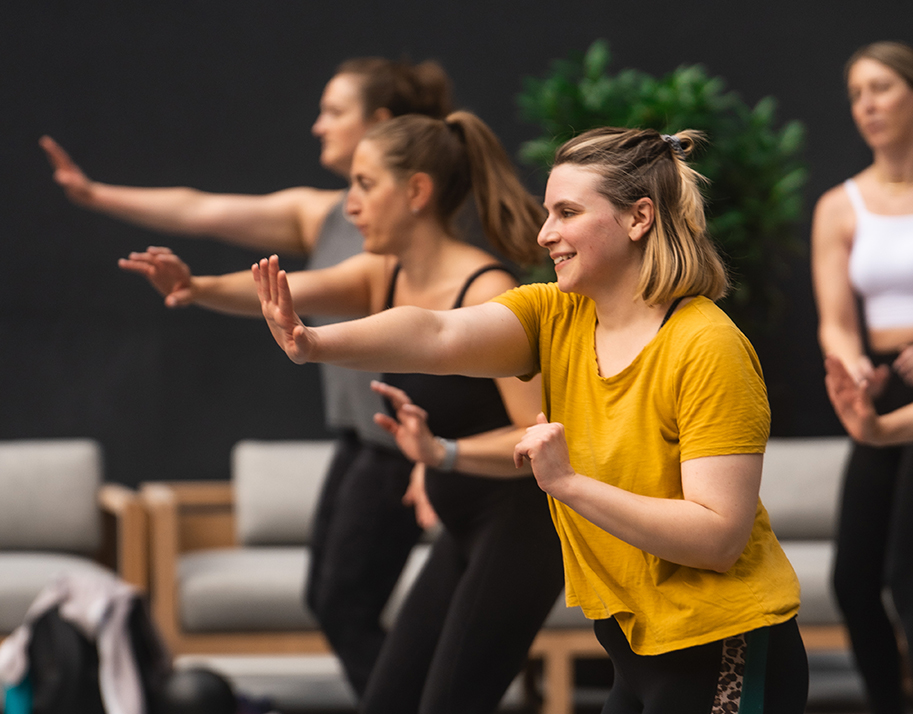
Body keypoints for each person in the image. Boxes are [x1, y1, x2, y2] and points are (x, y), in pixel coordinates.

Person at [254, 126, 809, 714]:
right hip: (636, 652)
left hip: (725, 648)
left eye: (567, 212)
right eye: (548, 212)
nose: (546, 234)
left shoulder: (706, 346)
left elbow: (718, 538)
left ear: (639, 218)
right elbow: (438, 331)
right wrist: (313, 341)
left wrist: (567, 484)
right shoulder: (556, 315)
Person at [40, 57, 458, 696]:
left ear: (380, 123)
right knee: (330, 601)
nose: (318, 126)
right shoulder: (325, 214)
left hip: (405, 444)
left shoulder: (426, 231)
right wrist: (97, 195)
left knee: (345, 606)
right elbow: (199, 209)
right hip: (359, 439)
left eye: (335, 112)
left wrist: (441, 454)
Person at [124, 110, 564, 714]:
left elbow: (540, 438)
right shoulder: (383, 273)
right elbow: (279, 294)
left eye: (364, 184)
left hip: (520, 532)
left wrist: (444, 454)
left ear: (416, 192)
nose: (350, 206)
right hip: (463, 524)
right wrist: (195, 287)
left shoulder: (489, 294)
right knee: (386, 699)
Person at [811, 40, 913, 714]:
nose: (865, 105)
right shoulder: (839, 205)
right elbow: (836, 319)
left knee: (908, 574)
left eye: (879, 87)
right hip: (887, 385)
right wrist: (849, 367)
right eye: (855, 94)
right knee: (853, 579)